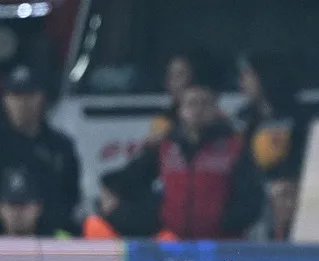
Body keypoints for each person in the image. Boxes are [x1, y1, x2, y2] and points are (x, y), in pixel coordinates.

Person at [83, 75, 262, 240]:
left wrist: (223, 222)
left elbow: (251, 198)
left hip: (222, 244)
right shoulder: (166, 147)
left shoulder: (233, 147)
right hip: (175, 245)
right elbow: (129, 178)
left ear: (216, 109)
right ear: (181, 110)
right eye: (192, 104)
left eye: (205, 104)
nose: (198, 110)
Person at [234, 52, 309, 242]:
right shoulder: (245, 121)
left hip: (289, 210)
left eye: (247, 76)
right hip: (254, 213)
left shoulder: (298, 118)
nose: (241, 84)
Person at [0, 64, 81, 235]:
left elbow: (72, 195)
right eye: (16, 96)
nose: (23, 103)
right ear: (5, 100)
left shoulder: (60, 146)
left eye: (29, 95)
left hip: (52, 238)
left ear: (41, 98)